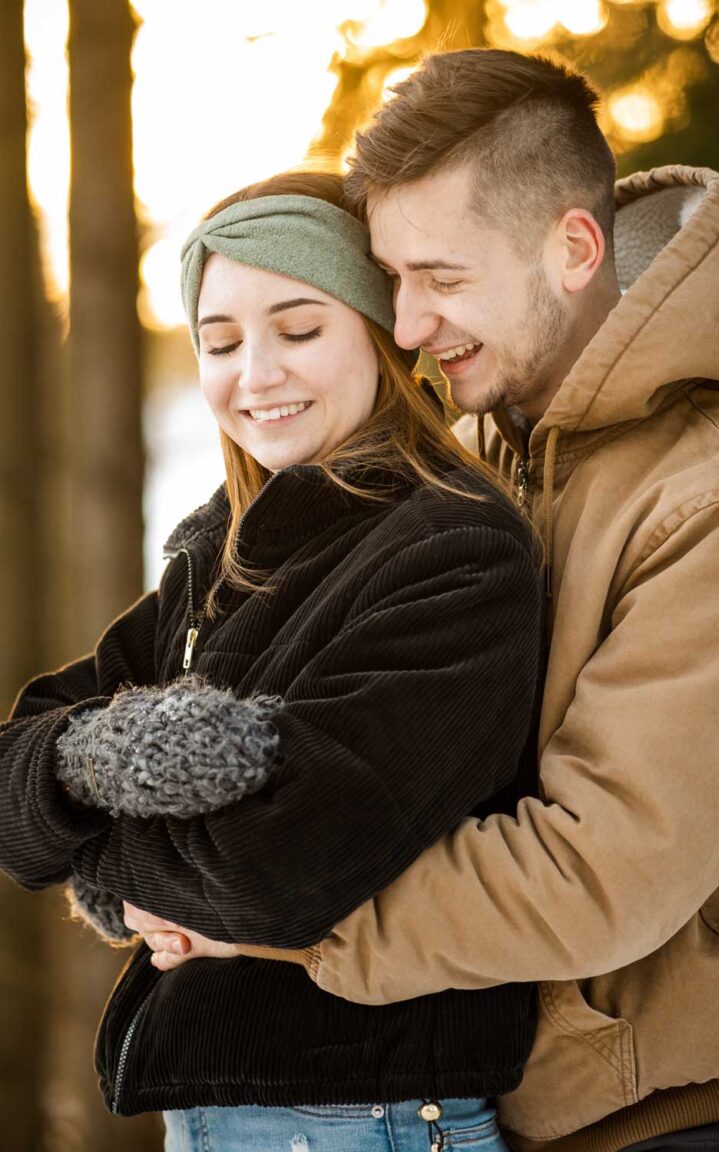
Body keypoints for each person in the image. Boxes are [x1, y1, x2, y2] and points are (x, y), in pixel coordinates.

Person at [154, 49, 719, 1152]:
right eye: (391, 279)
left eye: (441, 277)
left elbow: (596, 868)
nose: (409, 323)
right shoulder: (488, 446)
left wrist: (263, 910)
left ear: (574, 250)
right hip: (505, 1100)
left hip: (678, 1118)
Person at [0, 170, 543, 1152]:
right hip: (223, 1114)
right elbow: (11, 783)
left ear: (378, 334)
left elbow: (278, 872)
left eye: (299, 331)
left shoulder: (454, 552)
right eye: (220, 342)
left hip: (365, 1116)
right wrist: (107, 758)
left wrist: (120, 865)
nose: (256, 374)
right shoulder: (227, 550)